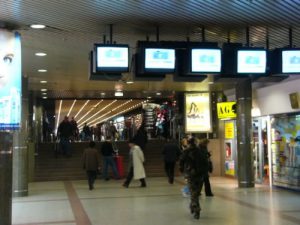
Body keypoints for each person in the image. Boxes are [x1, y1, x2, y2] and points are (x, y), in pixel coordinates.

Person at [179, 137, 209, 220]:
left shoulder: (186, 151)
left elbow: (181, 162)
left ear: (188, 143)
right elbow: (206, 162)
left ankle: (195, 208)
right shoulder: (200, 151)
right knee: (196, 192)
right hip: (200, 175)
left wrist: (182, 170)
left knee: (193, 193)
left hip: (190, 175)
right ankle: (193, 207)